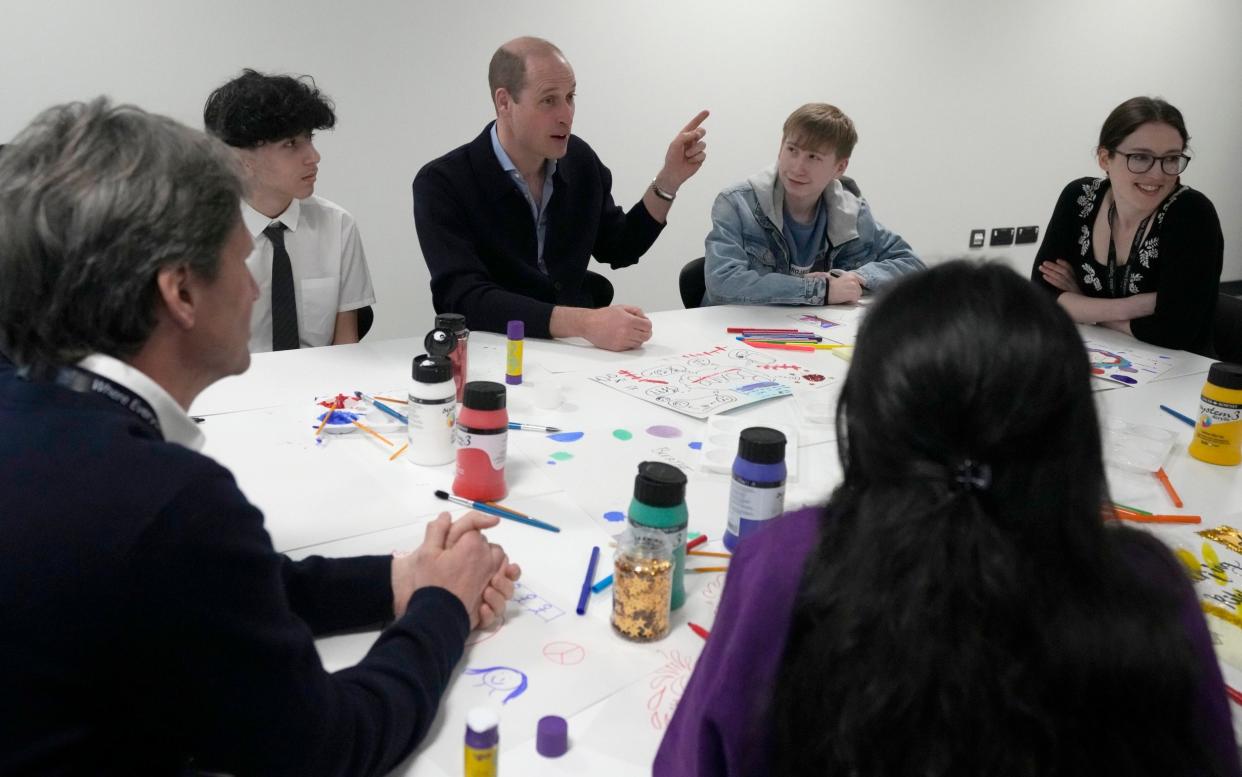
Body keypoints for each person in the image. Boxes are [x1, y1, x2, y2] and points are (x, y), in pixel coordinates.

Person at [0, 99, 521, 776]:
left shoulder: (44, 418)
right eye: (240, 261)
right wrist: (443, 606)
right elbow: (329, 745)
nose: (252, 289)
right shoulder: (165, 500)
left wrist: (401, 578)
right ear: (180, 292)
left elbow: (220, 586)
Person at [655, 261, 1238, 777]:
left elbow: (697, 757)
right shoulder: (1146, 585)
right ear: (1071, 428)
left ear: (869, 419)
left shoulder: (790, 561)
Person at [414, 36, 709, 351]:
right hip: (491, 351)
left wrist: (669, 179)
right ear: (504, 102)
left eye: (570, 97)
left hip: (570, 353)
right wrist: (584, 323)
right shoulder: (443, 183)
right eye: (548, 100)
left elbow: (620, 246)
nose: (566, 114)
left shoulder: (578, 161)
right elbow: (465, 299)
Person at [1032, 96, 1223, 356]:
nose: (1157, 174)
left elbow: (1175, 329)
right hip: (1101, 353)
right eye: (1140, 157)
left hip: (1181, 372)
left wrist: (1085, 306)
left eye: (1170, 159)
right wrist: (1132, 306)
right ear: (1104, 158)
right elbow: (1041, 296)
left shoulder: (1191, 213)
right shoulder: (1079, 197)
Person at [204, 68, 375, 352]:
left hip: (319, 391)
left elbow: (347, 346)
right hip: (234, 390)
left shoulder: (337, 225)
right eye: (291, 144)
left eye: (309, 138)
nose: (314, 157)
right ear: (242, 159)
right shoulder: (202, 235)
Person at [702, 103, 923, 307]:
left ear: (839, 167)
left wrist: (855, 278)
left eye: (813, 157)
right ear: (780, 148)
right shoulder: (737, 203)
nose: (798, 167)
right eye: (792, 150)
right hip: (731, 338)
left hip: (806, 335)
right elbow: (723, 282)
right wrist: (820, 290)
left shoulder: (852, 213)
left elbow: (912, 264)